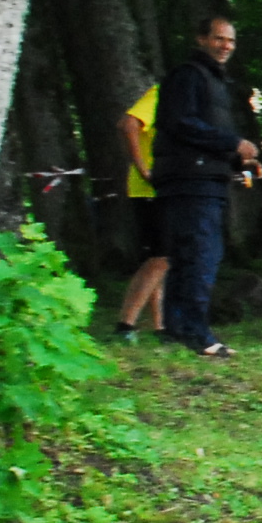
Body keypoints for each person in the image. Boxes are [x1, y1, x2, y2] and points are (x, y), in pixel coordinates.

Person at [151, 16, 260, 360]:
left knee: (188, 257)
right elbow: (180, 123)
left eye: (231, 40)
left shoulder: (216, 82)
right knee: (200, 255)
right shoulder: (187, 75)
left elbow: (204, 134)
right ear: (201, 39)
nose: (226, 46)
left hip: (205, 177)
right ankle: (197, 333)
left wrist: (237, 159)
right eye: (219, 38)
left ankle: (177, 328)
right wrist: (232, 142)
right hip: (190, 180)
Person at [110, 81, 167, 341]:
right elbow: (128, 124)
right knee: (162, 258)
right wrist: (143, 169)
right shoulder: (162, 93)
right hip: (151, 189)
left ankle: (160, 326)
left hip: (164, 188)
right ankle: (126, 326)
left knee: (159, 258)